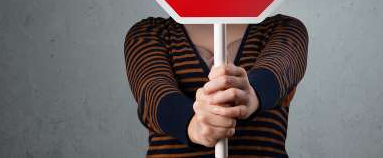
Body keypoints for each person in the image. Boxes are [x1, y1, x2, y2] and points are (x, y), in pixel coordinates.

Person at [124, 14, 308, 157]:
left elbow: (282, 68)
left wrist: (248, 96)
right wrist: (195, 126)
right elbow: (152, 92)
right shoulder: (148, 32)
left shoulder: (284, 29)